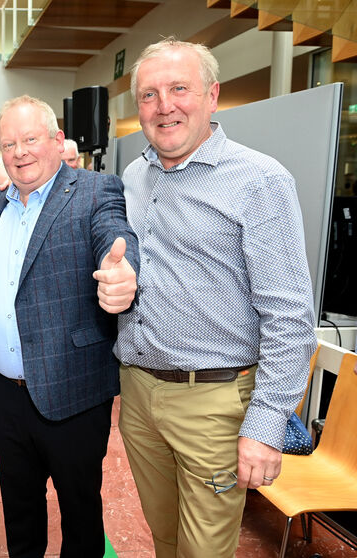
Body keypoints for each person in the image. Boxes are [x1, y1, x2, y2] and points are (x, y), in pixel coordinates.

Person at [116, 37, 317, 557]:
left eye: (179, 88)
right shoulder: (134, 178)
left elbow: (290, 316)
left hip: (214, 403)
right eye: (149, 94)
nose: (164, 106)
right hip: (138, 395)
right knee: (164, 539)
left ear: (212, 95)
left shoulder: (260, 181)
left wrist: (267, 426)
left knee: (205, 550)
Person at [0, 95, 139, 557]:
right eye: (8, 144)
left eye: (31, 139)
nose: (19, 152)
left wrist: (121, 273)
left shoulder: (96, 191)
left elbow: (115, 239)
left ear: (58, 141)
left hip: (71, 389)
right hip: (5, 392)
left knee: (80, 515)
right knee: (20, 512)